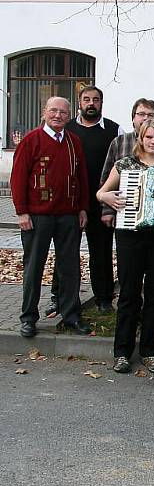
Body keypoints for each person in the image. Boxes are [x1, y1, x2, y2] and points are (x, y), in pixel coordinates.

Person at [96, 119, 154, 374]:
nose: (153, 142)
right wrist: (108, 197)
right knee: (129, 294)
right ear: (141, 139)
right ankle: (122, 351)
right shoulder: (125, 165)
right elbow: (100, 193)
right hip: (130, 236)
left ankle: (149, 350)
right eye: (149, 137)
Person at [11, 96, 91, 337]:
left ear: (69, 115)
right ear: (44, 112)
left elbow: (82, 177)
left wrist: (83, 208)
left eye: (63, 112)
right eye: (53, 111)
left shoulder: (73, 142)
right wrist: (22, 211)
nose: (58, 116)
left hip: (68, 216)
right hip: (37, 217)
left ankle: (71, 315)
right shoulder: (31, 141)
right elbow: (18, 178)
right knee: (34, 267)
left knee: (70, 268)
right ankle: (28, 317)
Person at [48, 86, 123, 314]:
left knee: (101, 252)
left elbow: (121, 166)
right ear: (79, 102)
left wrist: (110, 205)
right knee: (66, 252)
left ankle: (103, 298)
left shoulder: (113, 129)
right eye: (87, 99)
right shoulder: (67, 130)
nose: (91, 103)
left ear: (102, 103)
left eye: (96, 100)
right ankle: (58, 297)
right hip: (71, 203)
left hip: (102, 202)